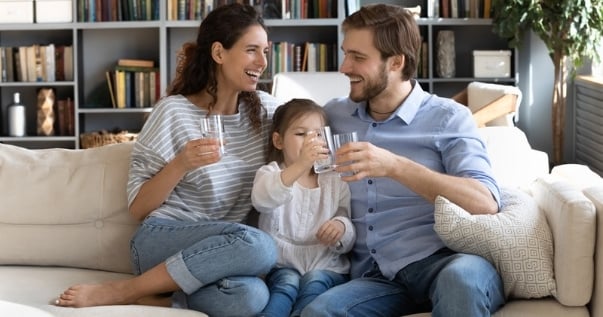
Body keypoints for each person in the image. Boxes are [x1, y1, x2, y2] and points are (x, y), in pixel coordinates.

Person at [54, 3, 280, 316]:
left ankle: (159, 293)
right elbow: (139, 208)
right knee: (261, 246)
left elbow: (307, 128)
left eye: (266, 51)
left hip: (220, 252)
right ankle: (125, 290)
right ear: (219, 53)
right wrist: (181, 164)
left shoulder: (266, 112)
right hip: (162, 238)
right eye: (252, 50)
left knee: (249, 297)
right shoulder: (174, 112)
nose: (263, 62)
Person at [301, 4, 505, 317]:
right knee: (321, 311)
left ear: (396, 62)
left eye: (358, 57)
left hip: (446, 262)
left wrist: (395, 166)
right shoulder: (334, 116)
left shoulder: (448, 118)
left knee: (461, 281)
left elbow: (485, 202)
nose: (344, 66)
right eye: (345, 53)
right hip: (377, 277)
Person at [251, 99, 356, 317]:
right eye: (301, 134)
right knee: (286, 284)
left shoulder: (335, 179)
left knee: (314, 281)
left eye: (318, 135)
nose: (311, 141)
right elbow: (262, 199)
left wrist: (341, 228)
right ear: (278, 141)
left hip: (327, 266)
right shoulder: (270, 173)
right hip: (282, 266)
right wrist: (301, 165)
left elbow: (346, 219)